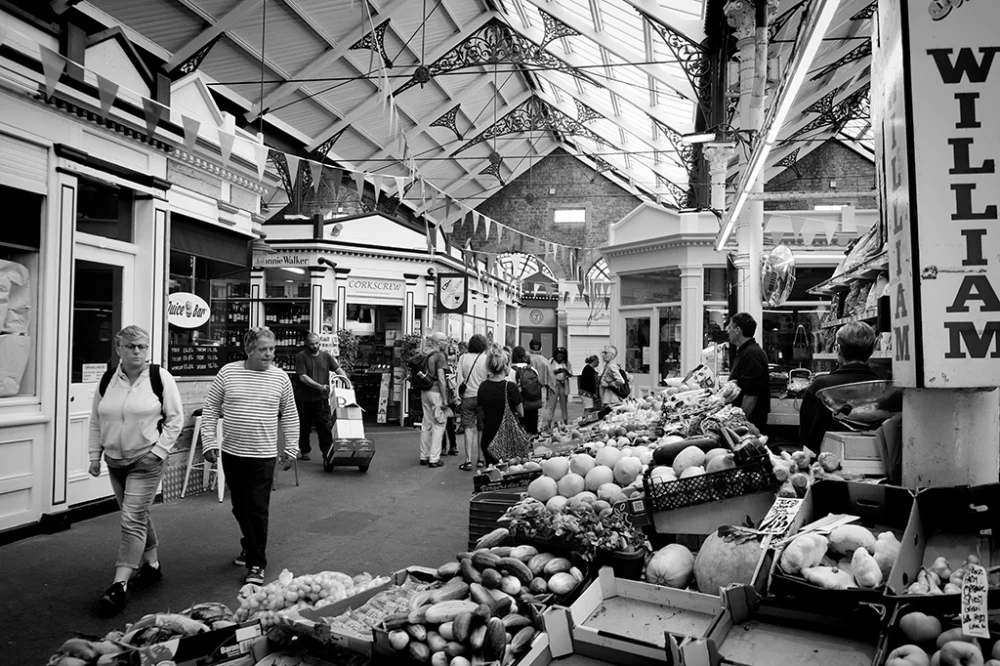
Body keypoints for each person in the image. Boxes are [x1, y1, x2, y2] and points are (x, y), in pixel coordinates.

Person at [89, 325, 184, 615]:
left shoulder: (159, 377)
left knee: (131, 518)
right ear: (119, 348)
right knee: (137, 514)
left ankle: (119, 586)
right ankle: (152, 565)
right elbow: (96, 419)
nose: (138, 352)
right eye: (131, 347)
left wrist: (159, 451)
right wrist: (95, 455)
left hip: (146, 458)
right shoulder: (108, 380)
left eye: (143, 347)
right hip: (114, 460)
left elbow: (175, 418)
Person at [201, 327, 300, 586]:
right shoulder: (228, 373)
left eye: (272, 349)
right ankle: (249, 543)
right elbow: (210, 409)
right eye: (263, 349)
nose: (270, 354)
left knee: (257, 508)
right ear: (248, 350)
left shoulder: (280, 379)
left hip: (263, 456)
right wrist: (209, 441)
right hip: (233, 453)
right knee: (240, 507)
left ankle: (256, 563)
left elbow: (290, 414)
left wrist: (291, 448)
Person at [799, 322, 879, 453]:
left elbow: (808, 435)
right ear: (872, 349)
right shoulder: (882, 386)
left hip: (829, 462)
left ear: (838, 349)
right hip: (876, 460)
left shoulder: (821, 387)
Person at [295, 332, 350, 462]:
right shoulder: (301, 357)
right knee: (304, 426)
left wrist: (346, 381)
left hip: (321, 398)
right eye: (312, 344)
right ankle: (305, 451)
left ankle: (327, 452)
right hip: (304, 398)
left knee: (324, 426)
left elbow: (338, 369)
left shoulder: (326, 356)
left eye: (317, 343)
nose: (315, 346)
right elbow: (302, 377)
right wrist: (320, 386)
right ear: (306, 344)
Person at [477, 344, 524, 468]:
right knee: (508, 473)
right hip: (506, 439)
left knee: (492, 473)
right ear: (505, 365)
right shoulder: (511, 388)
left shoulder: (483, 386)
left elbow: (482, 408)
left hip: (488, 438)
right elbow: (521, 413)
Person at [727, 312, 770, 434]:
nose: (727, 330)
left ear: (737, 330)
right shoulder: (745, 351)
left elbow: (751, 395)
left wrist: (738, 423)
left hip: (751, 422)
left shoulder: (752, 354)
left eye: (730, 327)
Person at [457, 334, 489, 471]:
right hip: (483, 397)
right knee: (482, 428)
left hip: (468, 397)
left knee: (468, 428)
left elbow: (458, 378)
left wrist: (457, 396)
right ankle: (481, 458)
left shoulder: (463, 358)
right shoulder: (486, 359)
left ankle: (468, 459)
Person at [419, 331, 450, 468]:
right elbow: (441, 378)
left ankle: (423, 456)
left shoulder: (425, 354)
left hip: (425, 391)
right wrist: (444, 398)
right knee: (439, 424)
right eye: (445, 340)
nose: (447, 342)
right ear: (438, 342)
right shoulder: (440, 356)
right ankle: (434, 458)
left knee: (426, 424)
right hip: (436, 392)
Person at [511, 346, 542, 434]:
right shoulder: (532, 370)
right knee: (532, 432)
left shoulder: (511, 370)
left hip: (517, 407)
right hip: (532, 405)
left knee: (518, 433)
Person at [527, 340, 556, 428]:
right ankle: (537, 430)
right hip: (541, 389)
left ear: (529, 347)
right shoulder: (545, 361)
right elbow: (551, 379)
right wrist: (552, 389)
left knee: (527, 410)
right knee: (539, 411)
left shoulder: (525, 359)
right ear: (541, 348)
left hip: (526, 388)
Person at [547, 347, 573, 426]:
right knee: (552, 405)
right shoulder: (551, 361)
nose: (560, 356)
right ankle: (549, 423)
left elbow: (571, 373)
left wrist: (566, 372)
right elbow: (548, 373)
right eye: (559, 354)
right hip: (554, 384)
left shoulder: (567, 363)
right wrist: (556, 371)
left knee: (564, 405)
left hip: (563, 384)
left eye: (562, 355)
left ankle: (565, 422)